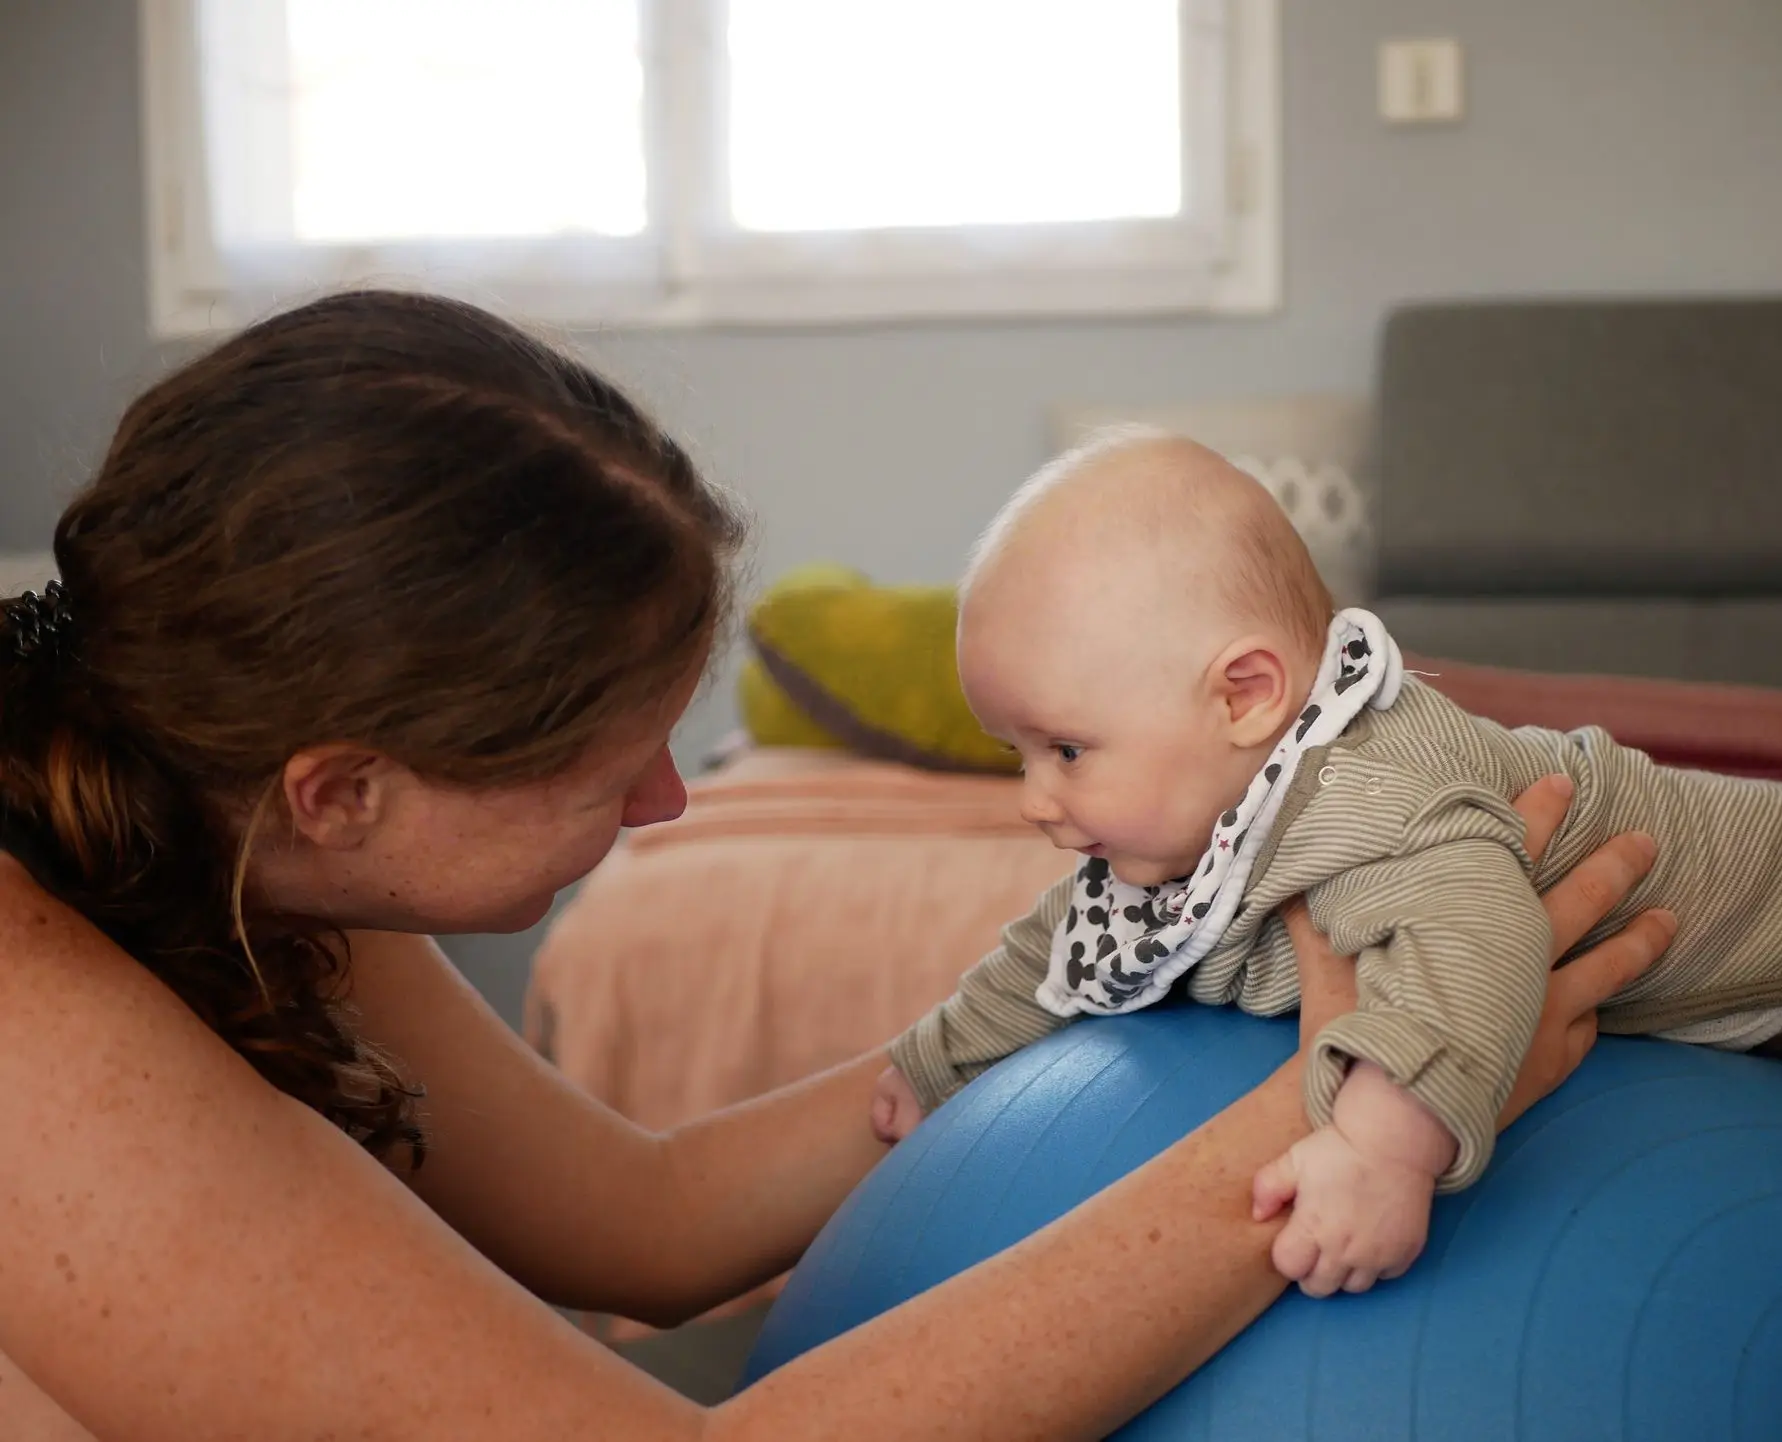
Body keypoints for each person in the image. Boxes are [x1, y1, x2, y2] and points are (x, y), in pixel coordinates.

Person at [0, 291, 1671, 1442]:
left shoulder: (242, 837)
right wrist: (1348, 1098)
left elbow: (641, 1216)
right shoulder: (31, 1022)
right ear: (343, 785)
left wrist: (1035, 1007)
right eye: (603, 767)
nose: (667, 803)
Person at [874, 429, 1782, 1303]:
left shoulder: (1362, 791)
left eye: (1066, 750)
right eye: (1017, 755)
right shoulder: (1182, 827)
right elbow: (1060, 950)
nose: (1034, 798)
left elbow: (1477, 933)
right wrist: (936, 1064)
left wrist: (1382, 1146)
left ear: (1246, 696)